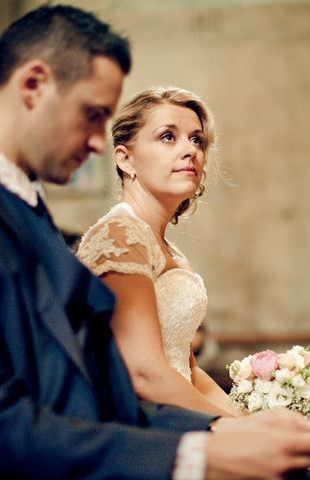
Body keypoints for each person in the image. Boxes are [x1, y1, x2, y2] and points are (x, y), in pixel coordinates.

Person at [0, 5, 310, 479]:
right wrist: (199, 455)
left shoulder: (30, 213)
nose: (100, 143)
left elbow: (98, 396)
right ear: (34, 84)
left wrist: (227, 431)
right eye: (92, 113)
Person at [77, 87, 242, 417]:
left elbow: (189, 370)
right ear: (125, 158)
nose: (189, 150)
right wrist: (238, 432)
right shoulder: (120, 236)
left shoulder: (167, 249)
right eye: (168, 137)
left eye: (197, 140)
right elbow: (144, 375)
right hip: (149, 427)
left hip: (182, 413)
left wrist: (247, 420)